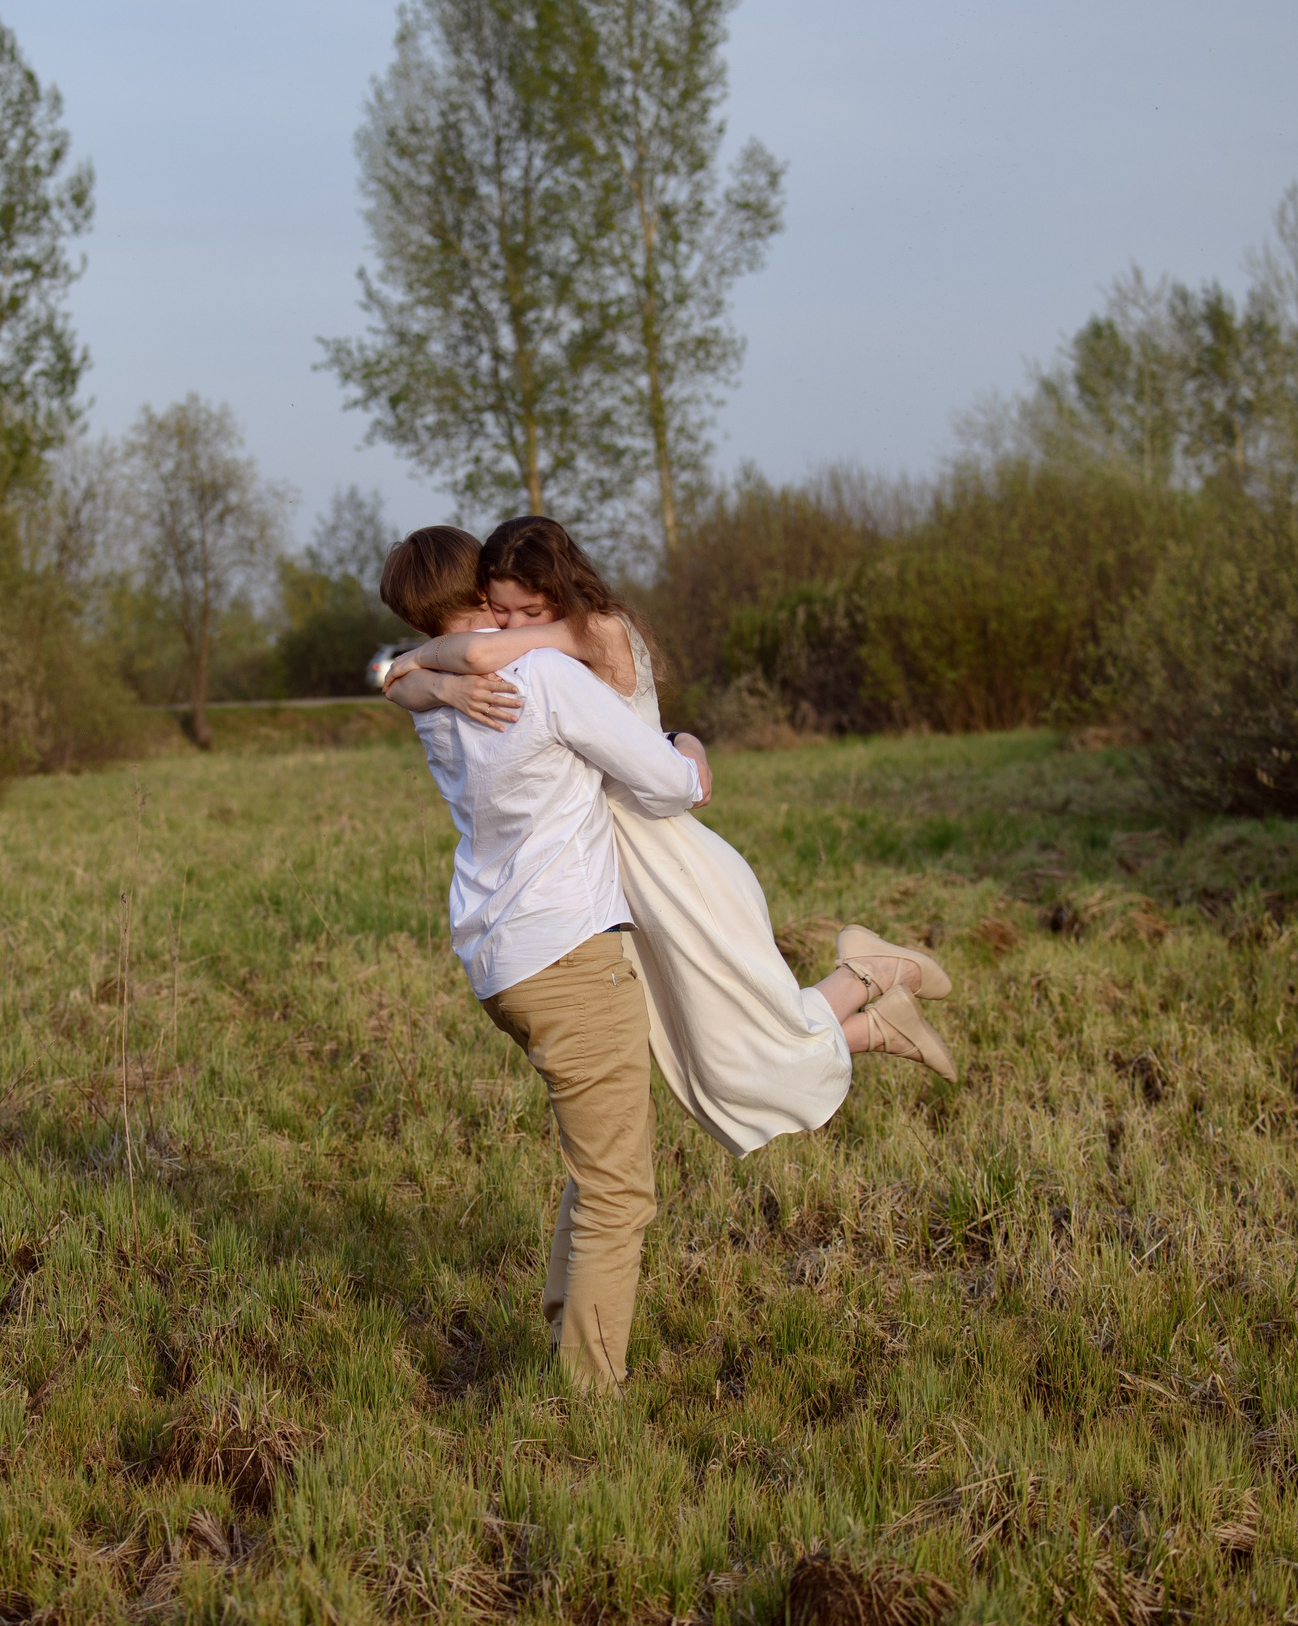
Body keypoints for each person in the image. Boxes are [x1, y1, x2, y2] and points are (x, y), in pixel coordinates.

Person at [377, 526, 924, 1390]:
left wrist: (410, 669)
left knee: (597, 1166)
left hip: (496, 963)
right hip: (569, 954)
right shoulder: (544, 675)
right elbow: (665, 785)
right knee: (620, 1190)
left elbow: (398, 668)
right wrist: (688, 749)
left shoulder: (434, 700)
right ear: (480, 597)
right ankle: (588, 1400)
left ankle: (568, 1346)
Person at [385, 516, 956, 1161]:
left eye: (526, 610)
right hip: (617, 869)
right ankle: (877, 1020)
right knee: (704, 1043)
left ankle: (869, 973)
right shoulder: (509, 664)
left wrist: (687, 748)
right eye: (500, 609)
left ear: (562, 594)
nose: (512, 627)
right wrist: (423, 677)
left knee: (735, 1038)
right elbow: (416, 665)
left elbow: (478, 656)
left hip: (668, 855)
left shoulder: (587, 633)